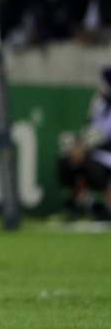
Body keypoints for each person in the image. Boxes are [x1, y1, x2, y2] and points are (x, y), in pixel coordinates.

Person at [56, 67, 111, 221]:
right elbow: (90, 128)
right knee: (65, 162)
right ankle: (71, 207)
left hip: (107, 154)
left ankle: (100, 210)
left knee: (93, 166)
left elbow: (104, 137)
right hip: (94, 151)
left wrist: (86, 150)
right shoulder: (99, 104)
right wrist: (78, 146)